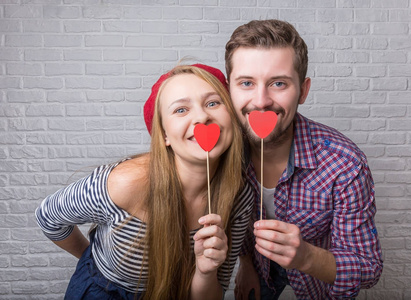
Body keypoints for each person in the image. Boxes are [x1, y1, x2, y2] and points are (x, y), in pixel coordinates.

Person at [35, 64, 253, 300]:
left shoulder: (240, 197)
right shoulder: (124, 183)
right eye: (181, 110)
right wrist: (89, 259)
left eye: (213, 103)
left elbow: (210, 295)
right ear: (165, 135)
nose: (202, 116)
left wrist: (205, 271)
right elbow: (48, 217)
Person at [225, 19, 383, 299]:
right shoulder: (222, 154)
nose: (261, 101)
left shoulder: (345, 163)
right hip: (259, 271)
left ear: (304, 90)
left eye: (278, 83)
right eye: (247, 83)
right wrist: (246, 263)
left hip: (318, 281)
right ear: (229, 89)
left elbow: (368, 267)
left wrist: (307, 257)